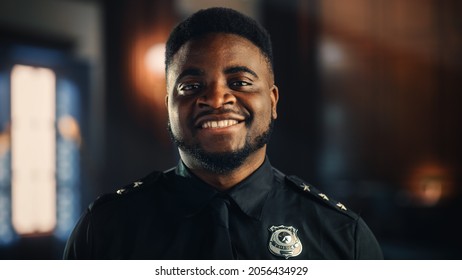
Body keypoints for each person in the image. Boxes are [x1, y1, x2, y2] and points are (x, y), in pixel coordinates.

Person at [63, 7, 383, 260]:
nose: (216, 100)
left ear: (272, 102)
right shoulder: (104, 230)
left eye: (240, 82)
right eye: (191, 86)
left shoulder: (342, 237)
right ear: (169, 106)